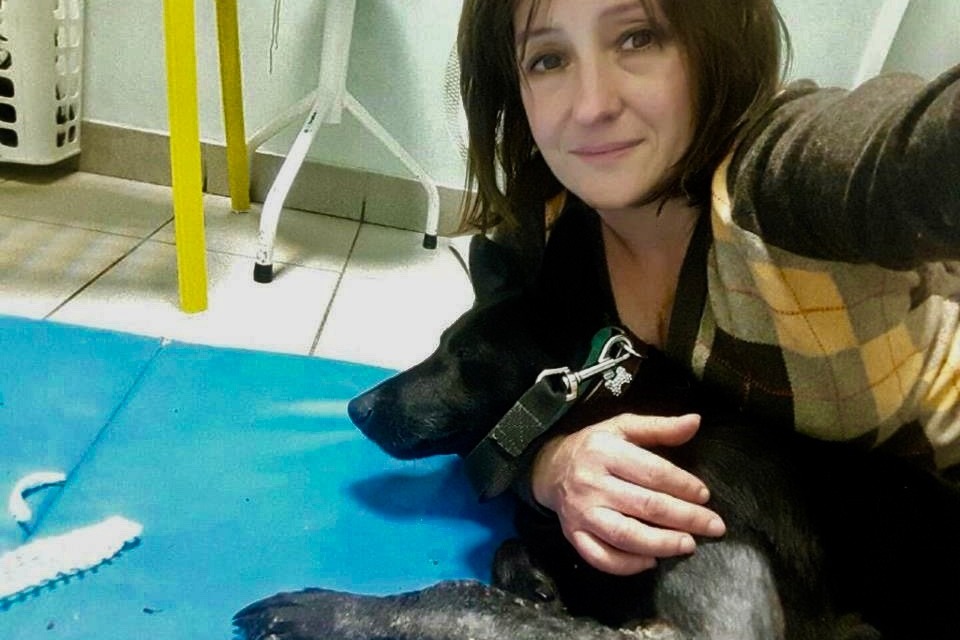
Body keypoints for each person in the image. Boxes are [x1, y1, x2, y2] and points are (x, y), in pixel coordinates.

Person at [455, 0, 960, 578]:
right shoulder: (542, 225)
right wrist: (551, 465)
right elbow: (482, 409)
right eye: (548, 59)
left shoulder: (787, 178)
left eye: (638, 38)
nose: (592, 106)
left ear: (711, 42)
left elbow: (916, 147)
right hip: (812, 573)